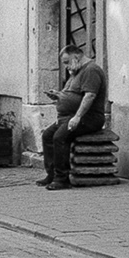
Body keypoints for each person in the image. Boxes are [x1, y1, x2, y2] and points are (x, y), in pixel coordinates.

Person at [39, 43, 106, 190]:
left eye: (67, 62)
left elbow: (89, 96)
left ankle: (61, 178)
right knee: (47, 135)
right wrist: (58, 95)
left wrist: (77, 117)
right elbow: (73, 94)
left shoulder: (91, 70)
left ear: (76, 56)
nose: (66, 66)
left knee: (60, 137)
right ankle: (51, 174)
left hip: (89, 118)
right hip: (68, 116)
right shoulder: (76, 71)